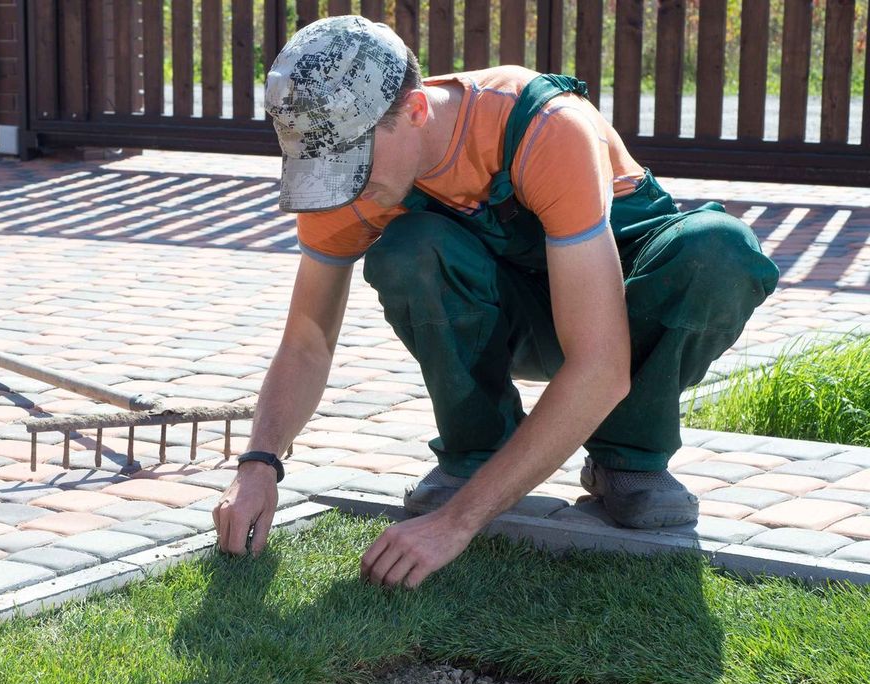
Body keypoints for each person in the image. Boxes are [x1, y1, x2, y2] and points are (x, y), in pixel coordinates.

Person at [213, 14, 778, 589]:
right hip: (512, 323)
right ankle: (477, 453)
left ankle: (628, 458)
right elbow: (307, 339)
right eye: (321, 169)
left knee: (720, 253)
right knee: (410, 249)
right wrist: (260, 463)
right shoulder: (341, 178)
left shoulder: (545, 127)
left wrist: (456, 524)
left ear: (413, 110)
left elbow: (600, 367)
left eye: (351, 164)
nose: (340, 187)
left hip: (618, 318)